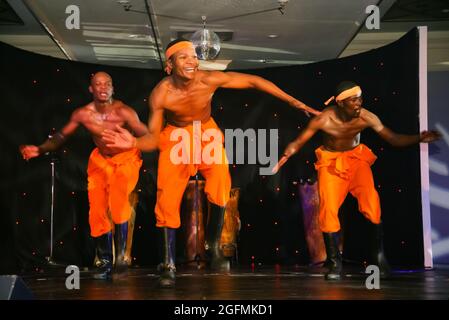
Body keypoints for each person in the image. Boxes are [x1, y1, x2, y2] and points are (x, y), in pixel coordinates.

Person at [102, 39, 320, 287]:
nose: (192, 61)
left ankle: (213, 245)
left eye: (194, 56)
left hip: (206, 132)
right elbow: (151, 138)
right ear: (169, 65)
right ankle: (169, 262)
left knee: (220, 184)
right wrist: (132, 143)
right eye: (184, 57)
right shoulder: (161, 94)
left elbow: (253, 81)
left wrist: (293, 101)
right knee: (167, 197)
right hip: (175, 135)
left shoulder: (208, 79)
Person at [275, 81, 441, 280]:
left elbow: (393, 139)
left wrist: (418, 138)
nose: (359, 103)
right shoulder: (324, 119)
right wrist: (287, 154)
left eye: (360, 99)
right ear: (341, 103)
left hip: (356, 160)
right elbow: (299, 141)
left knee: (371, 201)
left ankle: (378, 257)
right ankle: (334, 262)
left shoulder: (367, 117)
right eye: (354, 100)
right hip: (331, 163)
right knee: (328, 209)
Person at [19, 72, 148, 280]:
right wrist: (40, 149)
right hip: (100, 160)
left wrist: (135, 142)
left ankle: (121, 258)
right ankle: (105, 261)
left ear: (113, 88)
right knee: (96, 209)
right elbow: (62, 135)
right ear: (91, 89)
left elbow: (147, 135)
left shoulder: (124, 112)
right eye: (98, 84)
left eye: (107, 83)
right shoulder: (83, 114)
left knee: (118, 201)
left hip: (126, 158)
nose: (103, 87)